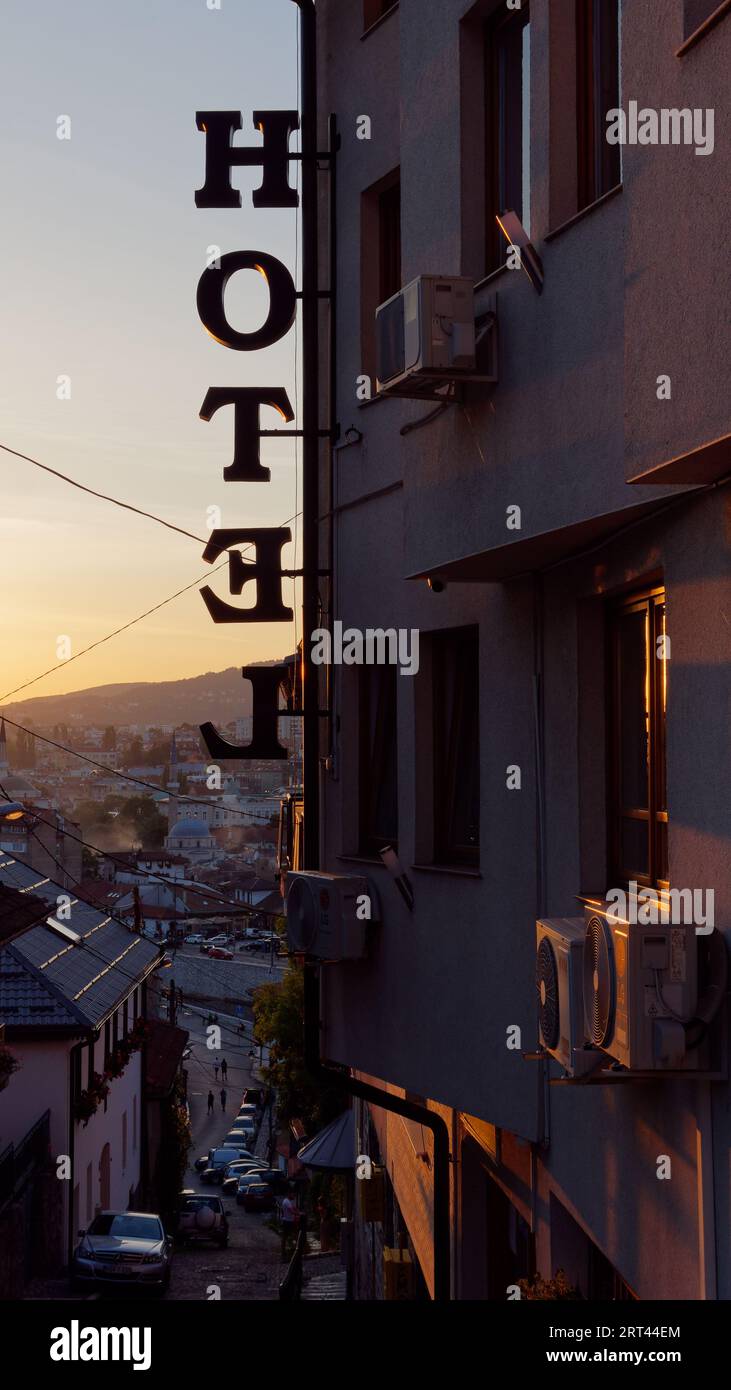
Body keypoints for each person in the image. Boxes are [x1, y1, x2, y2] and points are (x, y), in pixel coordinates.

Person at [280, 1192, 298, 1259]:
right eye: (293, 1194)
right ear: (289, 1194)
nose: (294, 1196)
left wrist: (297, 1210)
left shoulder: (287, 1201)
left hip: (287, 1220)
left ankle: (285, 1251)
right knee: (293, 1235)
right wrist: (299, 1214)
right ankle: (295, 1249)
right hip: (288, 1221)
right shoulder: (287, 1202)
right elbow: (291, 1211)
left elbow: (293, 1208)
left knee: (287, 1236)